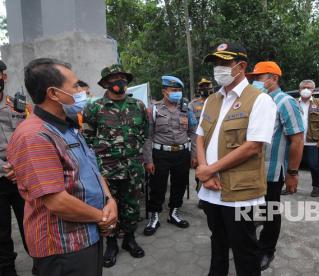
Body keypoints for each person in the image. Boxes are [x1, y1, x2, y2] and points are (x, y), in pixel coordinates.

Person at [7, 58, 118, 276]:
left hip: (89, 234)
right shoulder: (34, 136)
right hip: (63, 247)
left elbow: (91, 169)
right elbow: (57, 201)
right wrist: (103, 217)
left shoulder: (68, 126)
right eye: (75, 86)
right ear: (54, 93)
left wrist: (109, 200)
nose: (82, 91)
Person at [195, 42, 277, 276]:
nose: (218, 68)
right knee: (217, 242)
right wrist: (203, 168)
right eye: (216, 63)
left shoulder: (260, 100)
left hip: (240, 193)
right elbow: (200, 136)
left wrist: (210, 171)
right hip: (210, 189)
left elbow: (252, 147)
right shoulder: (212, 100)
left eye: (224, 63)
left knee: (245, 250)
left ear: (241, 66)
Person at [83, 64, 147, 267]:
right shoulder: (94, 107)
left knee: (132, 206)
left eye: (123, 78)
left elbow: (144, 132)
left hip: (133, 168)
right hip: (107, 170)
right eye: (114, 78)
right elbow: (87, 137)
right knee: (109, 208)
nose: (120, 81)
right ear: (105, 83)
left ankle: (129, 240)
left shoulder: (138, 106)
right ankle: (111, 244)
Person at [247, 61, 305, 270]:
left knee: (271, 211)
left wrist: (292, 173)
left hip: (272, 170)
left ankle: (266, 250)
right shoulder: (255, 101)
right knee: (252, 210)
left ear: (274, 78)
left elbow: (297, 139)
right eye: (253, 78)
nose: (254, 82)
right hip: (251, 170)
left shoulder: (285, 102)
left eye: (259, 78)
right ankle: (250, 243)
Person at [143, 76, 197, 235]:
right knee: (157, 186)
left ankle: (174, 213)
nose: (177, 93)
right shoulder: (154, 109)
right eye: (174, 90)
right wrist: (148, 160)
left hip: (182, 153)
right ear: (164, 91)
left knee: (180, 184)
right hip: (160, 154)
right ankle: (154, 216)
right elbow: (148, 136)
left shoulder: (186, 108)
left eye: (179, 90)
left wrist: (194, 154)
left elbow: (193, 132)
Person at [0, 60, 31, 276]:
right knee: (1, 232)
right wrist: (5, 169)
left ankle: (40, 261)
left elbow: (29, 137)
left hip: (21, 177)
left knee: (30, 223)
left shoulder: (18, 104)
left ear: (4, 76)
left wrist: (18, 167)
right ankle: (6, 269)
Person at [290, 80, 319, 197]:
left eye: (309, 87)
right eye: (303, 87)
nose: (306, 89)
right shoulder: (293, 102)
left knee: (313, 165)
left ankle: (316, 187)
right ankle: (290, 186)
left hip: (312, 140)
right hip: (295, 140)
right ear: (299, 89)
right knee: (292, 165)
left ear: (313, 90)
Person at [189, 78, 214, 208]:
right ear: (198, 89)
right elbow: (191, 127)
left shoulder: (218, 101)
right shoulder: (193, 105)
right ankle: (202, 196)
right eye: (202, 87)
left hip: (214, 141)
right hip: (199, 143)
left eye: (207, 86)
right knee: (200, 169)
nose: (205, 89)